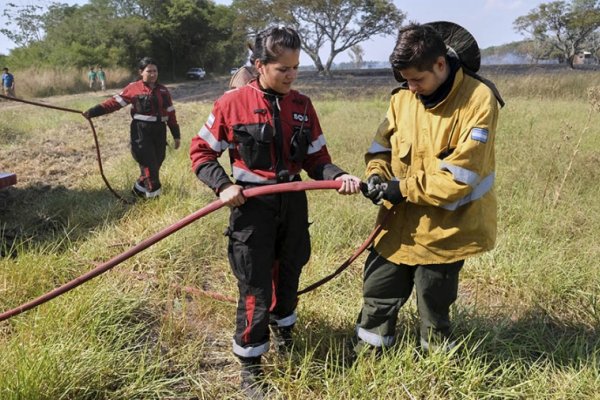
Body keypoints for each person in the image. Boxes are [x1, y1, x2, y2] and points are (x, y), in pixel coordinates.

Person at [189, 26, 361, 396]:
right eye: (283, 68)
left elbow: (318, 159)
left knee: (290, 273)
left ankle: (285, 335)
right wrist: (224, 186)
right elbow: (201, 153)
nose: (291, 75)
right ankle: (251, 368)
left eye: (296, 67)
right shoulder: (230, 104)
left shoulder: (302, 106)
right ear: (259, 65)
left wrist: (340, 175)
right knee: (254, 286)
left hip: (293, 204)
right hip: (252, 207)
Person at [356, 22, 502, 355]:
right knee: (378, 289)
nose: (410, 89)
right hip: (397, 225)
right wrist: (377, 174)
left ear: (440, 64)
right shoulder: (402, 99)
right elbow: (381, 146)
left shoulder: (478, 101)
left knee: (432, 302)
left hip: (446, 228)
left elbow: (460, 177)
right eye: (405, 80)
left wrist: (402, 188)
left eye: (417, 80)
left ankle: (436, 367)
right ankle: (368, 355)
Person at [83, 57, 181, 199]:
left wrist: (176, 134)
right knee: (151, 170)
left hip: (160, 132)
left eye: (155, 71)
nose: (153, 74)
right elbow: (113, 103)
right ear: (141, 72)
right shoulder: (133, 88)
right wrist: (92, 112)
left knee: (156, 164)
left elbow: (171, 113)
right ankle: (155, 203)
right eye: (149, 71)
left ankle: (136, 194)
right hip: (141, 133)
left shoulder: (163, 90)